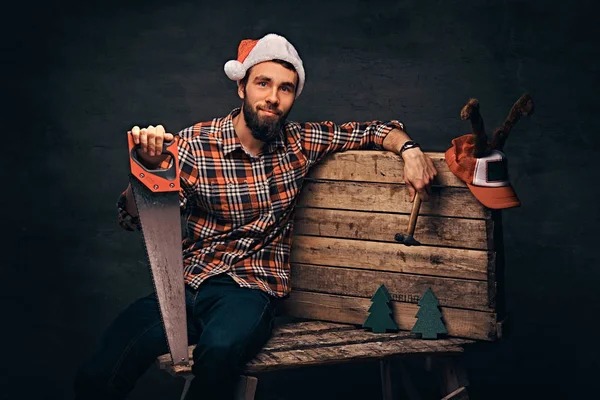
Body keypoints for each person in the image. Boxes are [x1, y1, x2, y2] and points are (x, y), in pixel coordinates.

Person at [73, 33, 437, 400]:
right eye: (263, 83)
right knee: (103, 367)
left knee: (219, 354)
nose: (273, 98)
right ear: (242, 87)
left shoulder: (300, 142)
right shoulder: (195, 143)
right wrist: (147, 170)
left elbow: (374, 130)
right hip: (185, 285)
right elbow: (136, 218)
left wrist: (410, 150)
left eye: (286, 89)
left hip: (248, 291)